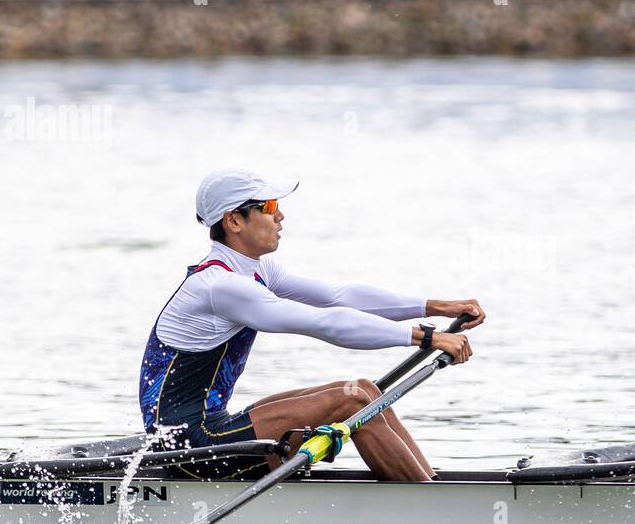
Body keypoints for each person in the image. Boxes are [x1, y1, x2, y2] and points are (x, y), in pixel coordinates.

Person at [139, 169, 484, 481]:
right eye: (269, 206)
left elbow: (340, 297)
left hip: (209, 429)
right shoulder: (221, 286)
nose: (280, 215)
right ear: (233, 221)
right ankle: (427, 503)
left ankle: (431, 485)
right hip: (189, 449)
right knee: (352, 402)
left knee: (364, 389)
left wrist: (435, 306)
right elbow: (326, 324)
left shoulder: (255, 270)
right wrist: (426, 338)